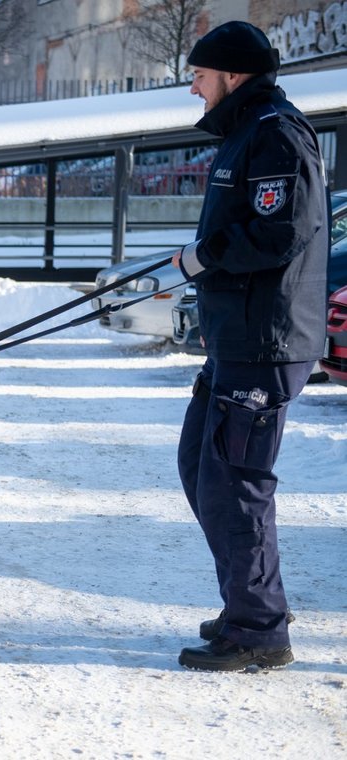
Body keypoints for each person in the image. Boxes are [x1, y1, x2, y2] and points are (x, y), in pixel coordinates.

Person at [172, 21, 329, 671]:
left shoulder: (274, 134)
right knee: (201, 468)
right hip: (238, 337)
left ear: (232, 76)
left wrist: (202, 258)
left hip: (264, 342)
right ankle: (251, 603)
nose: (193, 88)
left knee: (234, 483)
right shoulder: (248, 131)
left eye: (200, 75)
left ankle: (259, 629)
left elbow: (277, 235)